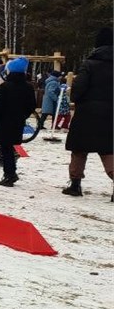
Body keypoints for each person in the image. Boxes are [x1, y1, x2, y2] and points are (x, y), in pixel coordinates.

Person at [62, 27, 113, 197]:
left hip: (87, 113)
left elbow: (78, 89)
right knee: (108, 150)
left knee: (79, 149)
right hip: (110, 113)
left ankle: (75, 184)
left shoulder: (89, 64)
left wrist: (77, 97)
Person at [0, 58, 36, 188]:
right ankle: (10, 172)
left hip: (4, 121)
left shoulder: (5, 86)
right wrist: (22, 115)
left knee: (6, 148)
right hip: (18, 121)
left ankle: (10, 174)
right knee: (9, 147)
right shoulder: (28, 87)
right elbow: (31, 105)